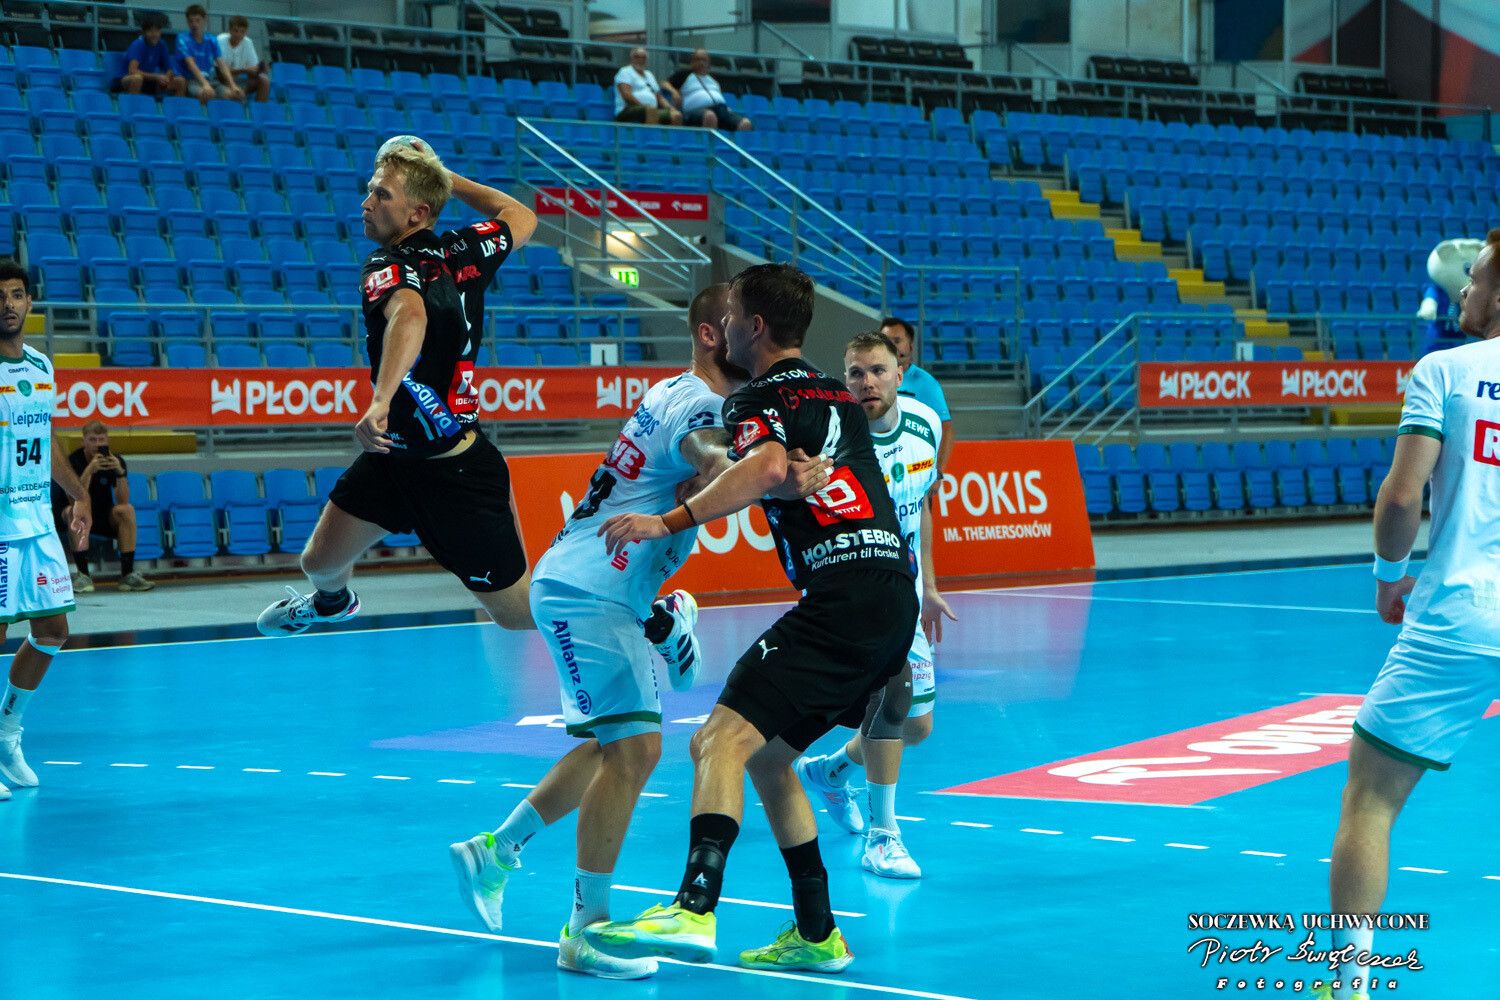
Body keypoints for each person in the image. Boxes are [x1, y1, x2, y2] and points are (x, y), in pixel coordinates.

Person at [448, 283, 815, 979]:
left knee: (610, 745)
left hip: (599, 587)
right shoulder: (702, 404)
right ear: (711, 334)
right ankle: (585, 931)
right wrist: (776, 475)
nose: (747, 332)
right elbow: (712, 455)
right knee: (636, 751)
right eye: (735, 321)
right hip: (592, 587)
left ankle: (496, 852)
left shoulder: (673, 391)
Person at [582, 264, 919, 974]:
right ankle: (818, 933)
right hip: (892, 592)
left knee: (717, 741)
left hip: (843, 596)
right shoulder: (836, 394)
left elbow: (765, 468)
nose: (726, 324)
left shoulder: (758, 397)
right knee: (767, 757)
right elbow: (786, 474)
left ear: (755, 326)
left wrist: (668, 519)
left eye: (733, 313)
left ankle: (693, 907)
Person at [1311, 228, 1500, 1000]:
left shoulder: (1445, 371)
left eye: (1476, 277)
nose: (1464, 289)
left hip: (1462, 612)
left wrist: (1389, 579)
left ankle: (1349, 984)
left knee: (1371, 797)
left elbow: (1400, 498)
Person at [257, 139, 540, 637]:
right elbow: (521, 216)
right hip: (393, 459)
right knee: (319, 562)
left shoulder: (385, 265)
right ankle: (332, 603)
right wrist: (445, 177)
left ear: (418, 212)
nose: (366, 202)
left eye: (381, 194)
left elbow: (410, 315)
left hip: (455, 473)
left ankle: (654, 621)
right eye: (370, 190)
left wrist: (381, 399)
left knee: (520, 617)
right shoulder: (466, 249)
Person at [793, 331, 955, 879]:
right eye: (856, 373)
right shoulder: (832, 441)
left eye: (878, 371)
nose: (867, 382)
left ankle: (829, 772)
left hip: (907, 591)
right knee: (887, 701)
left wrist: (930, 588)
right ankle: (883, 837)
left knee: (917, 726)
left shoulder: (925, 425)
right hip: (857, 594)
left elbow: (922, 506)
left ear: (900, 375)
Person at [0, 259, 93, 802]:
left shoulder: (39, 365)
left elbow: (46, 438)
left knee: (53, 631)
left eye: (16, 294)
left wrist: (78, 493)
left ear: (30, 302)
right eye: (0, 296)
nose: (8, 304)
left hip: (36, 521)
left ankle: (7, 731)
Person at [50, 420, 153, 593]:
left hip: (101, 515)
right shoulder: (73, 461)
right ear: (83, 441)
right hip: (72, 515)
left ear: (106, 441)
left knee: (127, 510)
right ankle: (83, 575)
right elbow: (74, 500)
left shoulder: (115, 460)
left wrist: (120, 473)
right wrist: (90, 470)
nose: (97, 444)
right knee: (73, 512)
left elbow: (122, 500)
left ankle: (127, 575)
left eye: (101, 440)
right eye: (92, 440)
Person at [880, 317, 954, 477]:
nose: (890, 346)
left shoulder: (926, 384)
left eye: (897, 341)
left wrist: (938, 472)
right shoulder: (870, 382)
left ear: (911, 346)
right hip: (880, 471)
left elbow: (946, 429)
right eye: (886, 341)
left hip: (916, 472)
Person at [666, 49, 751, 132]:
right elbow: (664, 83)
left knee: (745, 124)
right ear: (692, 62)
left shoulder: (713, 80)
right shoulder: (683, 75)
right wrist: (674, 92)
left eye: (704, 60)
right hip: (696, 112)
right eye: (697, 59)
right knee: (710, 116)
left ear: (708, 63)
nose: (701, 62)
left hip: (721, 110)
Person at [177, 4, 241, 105]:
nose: (194, 24)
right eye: (190, 21)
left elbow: (222, 65)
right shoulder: (182, 39)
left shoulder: (212, 40)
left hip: (212, 80)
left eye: (197, 20)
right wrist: (205, 84)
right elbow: (191, 65)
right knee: (207, 94)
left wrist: (233, 85)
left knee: (233, 95)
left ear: (204, 21)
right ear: (187, 22)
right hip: (193, 81)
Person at [117, 14, 185, 97]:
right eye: (150, 31)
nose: (154, 34)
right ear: (144, 33)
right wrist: (156, 77)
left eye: (157, 31)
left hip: (150, 80)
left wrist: (165, 78)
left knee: (180, 81)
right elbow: (132, 71)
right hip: (126, 79)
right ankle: (134, 104)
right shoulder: (138, 44)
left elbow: (169, 69)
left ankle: (176, 105)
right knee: (137, 78)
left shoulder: (161, 45)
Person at [613, 47, 681, 126]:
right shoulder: (625, 72)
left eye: (643, 58)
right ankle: (652, 134)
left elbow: (659, 97)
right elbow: (626, 95)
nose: (640, 60)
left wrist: (671, 109)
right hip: (627, 110)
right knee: (650, 110)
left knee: (676, 115)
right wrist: (645, 108)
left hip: (651, 110)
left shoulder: (649, 75)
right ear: (631, 59)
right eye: (637, 57)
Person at [216, 15, 269, 103]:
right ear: (230, 30)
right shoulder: (220, 40)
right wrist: (244, 70)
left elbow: (253, 68)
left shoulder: (248, 42)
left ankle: (259, 109)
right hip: (221, 81)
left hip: (238, 80)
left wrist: (259, 70)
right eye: (236, 31)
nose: (238, 35)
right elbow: (221, 74)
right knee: (233, 94)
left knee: (264, 80)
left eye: (242, 32)